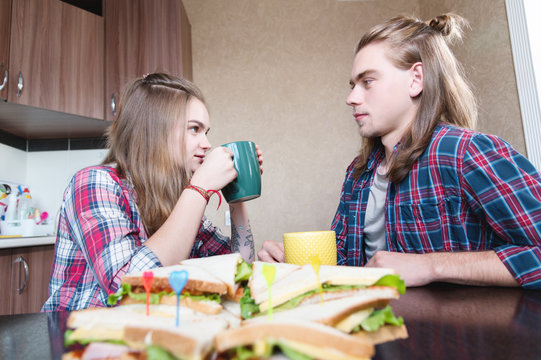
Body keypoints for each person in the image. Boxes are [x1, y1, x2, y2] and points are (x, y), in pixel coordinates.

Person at [258, 14, 541, 289]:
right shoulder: (358, 174)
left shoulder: (465, 153)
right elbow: (344, 268)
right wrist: (294, 263)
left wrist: (430, 266)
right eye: (352, 85)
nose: (351, 98)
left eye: (367, 81)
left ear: (416, 79)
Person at [43, 73, 263, 311]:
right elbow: (127, 288)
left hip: (145, 333)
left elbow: (239, 273)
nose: (207, 144)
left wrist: (237, 196)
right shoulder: (93, 183)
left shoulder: (181, 198)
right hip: (76, 337)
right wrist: (199, 190)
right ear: (155, 130)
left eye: (206, 132)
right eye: (194, 129)